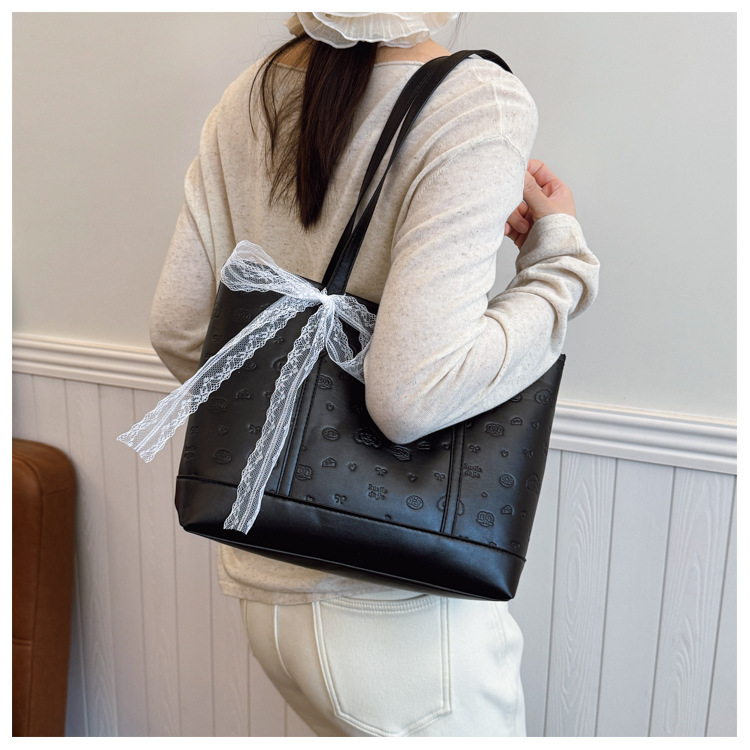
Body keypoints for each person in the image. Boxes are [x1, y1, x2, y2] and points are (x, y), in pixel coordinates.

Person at [149, 12, 599, 737]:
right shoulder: (475, 100)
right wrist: (560, 261)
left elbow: (178, 324)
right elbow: (411, 395)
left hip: (263, 585)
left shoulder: (252, 92)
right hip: (401, 616)